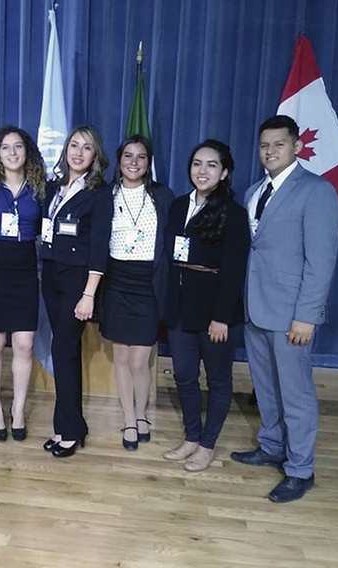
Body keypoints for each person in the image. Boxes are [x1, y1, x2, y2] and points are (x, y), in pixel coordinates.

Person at [231, 115, 338, 502]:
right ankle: (272, 446)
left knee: (296, 394)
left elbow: (321, 262)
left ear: (297, 146)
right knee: (266, 388)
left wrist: (306, 316)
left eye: (279, 144)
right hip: (256, 307)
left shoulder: (317, 191)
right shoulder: (254, 191)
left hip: (292, 314)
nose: (270, 151)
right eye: (264, 145)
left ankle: (300, 469)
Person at [161, 140, 250, 471]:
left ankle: (207, 444)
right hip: (179, 307)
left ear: (224, 172)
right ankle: (191, 437)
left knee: (218, 380)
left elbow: (234, 271)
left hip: (215, 312)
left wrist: (221, 317)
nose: (202, 170)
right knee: (184, 375)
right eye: (197, 163)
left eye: (211, 165)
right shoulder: (178, 205)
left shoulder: (234, 214)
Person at [40, 125, 112, 458]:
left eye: (87, 147)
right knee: (64, 352)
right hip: (51, 276)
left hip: (77, 282)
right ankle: (67, 426)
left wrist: (88, 294)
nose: (78, 152)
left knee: (63, 350)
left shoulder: (99, 193)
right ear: (65, 149)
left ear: (95, 155)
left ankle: (70, 430)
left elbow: (99, 248)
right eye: (74, 145)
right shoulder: (53, 187)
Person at [0, 126, 46, 442]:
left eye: (18, 146)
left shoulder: (40, 189)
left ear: (27, 152)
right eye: (5, 147)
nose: (12, 153)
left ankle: (18, 409)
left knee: (25, 345)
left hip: (26, 273)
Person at [99, 135, 173, 451]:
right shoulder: (106, 195)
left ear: (148, 162)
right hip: (117, 283)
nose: (134, 162)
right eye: (127, 156)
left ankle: (141, 413)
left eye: (140, 157)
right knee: (121, 357)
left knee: (140, 360)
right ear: (119, 160)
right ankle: (130, 419)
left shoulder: (163, 196)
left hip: (148, 285)